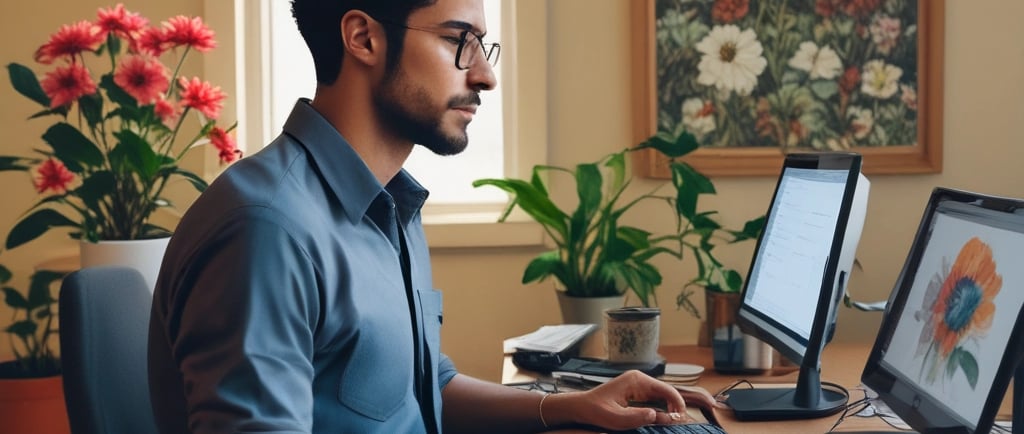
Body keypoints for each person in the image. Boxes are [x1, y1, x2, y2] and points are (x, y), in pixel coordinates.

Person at [147, 0, 716, 432]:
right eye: (457, 41)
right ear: (363, 38)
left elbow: (422, 386)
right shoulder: (267, 230)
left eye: (481, 47)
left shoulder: (391, 204)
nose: (485, 76)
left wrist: (567, 406)